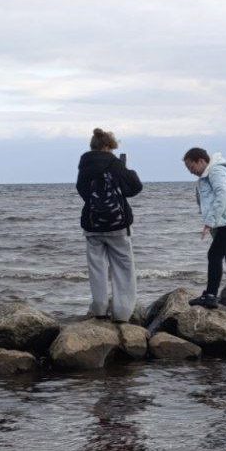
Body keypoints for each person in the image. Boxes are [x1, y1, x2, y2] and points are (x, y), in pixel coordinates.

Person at [76, 128, 142, 322]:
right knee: (123, 268)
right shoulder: (114, 163)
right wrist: (127, 173)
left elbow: (82, 189)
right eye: (111, 148)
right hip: (117, 224)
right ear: (106, 146)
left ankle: (99, 309)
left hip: (92, 224)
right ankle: (122, 313)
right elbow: (136, 186)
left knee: (96, 269)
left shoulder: (85, 163)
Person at [182, 147, 226, 314]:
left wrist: (210, 222)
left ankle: (210, 296)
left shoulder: (215, 171)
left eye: (191, 167)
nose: (191, 171)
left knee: (214, 255)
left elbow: (223, 195)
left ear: (201, 161)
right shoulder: (209, 174)